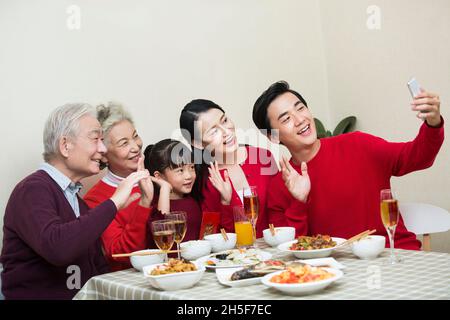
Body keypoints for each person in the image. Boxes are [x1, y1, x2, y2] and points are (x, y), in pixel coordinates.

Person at [252, 80, 444, 250]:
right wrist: (299, 202)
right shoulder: (280, 186)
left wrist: (433, 123)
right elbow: (290, 249)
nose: (300, 119)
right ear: (273, 136)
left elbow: (419, 157)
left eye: (300, 108)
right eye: (286, 119)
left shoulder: (358, 145)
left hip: (394, 254)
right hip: (337, 274)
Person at [0, 103, 149, 299]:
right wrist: (113, 203)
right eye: (96, 139)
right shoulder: (32, 190)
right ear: (65, 146)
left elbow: (97, 268)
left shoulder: (78, 202)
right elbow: (58, 248)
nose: (103, 149)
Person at [179, 99, 278, 238]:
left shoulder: (263, 157)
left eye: (224, 120)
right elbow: (210, 237)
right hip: (237, 257)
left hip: (277, 255)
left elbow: (280, 213)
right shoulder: (206, 180)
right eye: (213, 131)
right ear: (198, 143)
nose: (226, 131)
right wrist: (225, 202)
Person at [83, 103, 161, 271]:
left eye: (135, 136)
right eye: (124, 143)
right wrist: (144, 204)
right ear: (103, 155)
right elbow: (120, 255)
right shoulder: (95, 200)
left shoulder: (158, 178)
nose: (136, 147)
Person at [144, 139, 202, 245]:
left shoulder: (193, 199)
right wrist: (165, 188)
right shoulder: (155, 205)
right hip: (171, 261)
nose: (189, 176)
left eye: (192, 167)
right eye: (180, 170)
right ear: (159, 176)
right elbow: (163, 236)